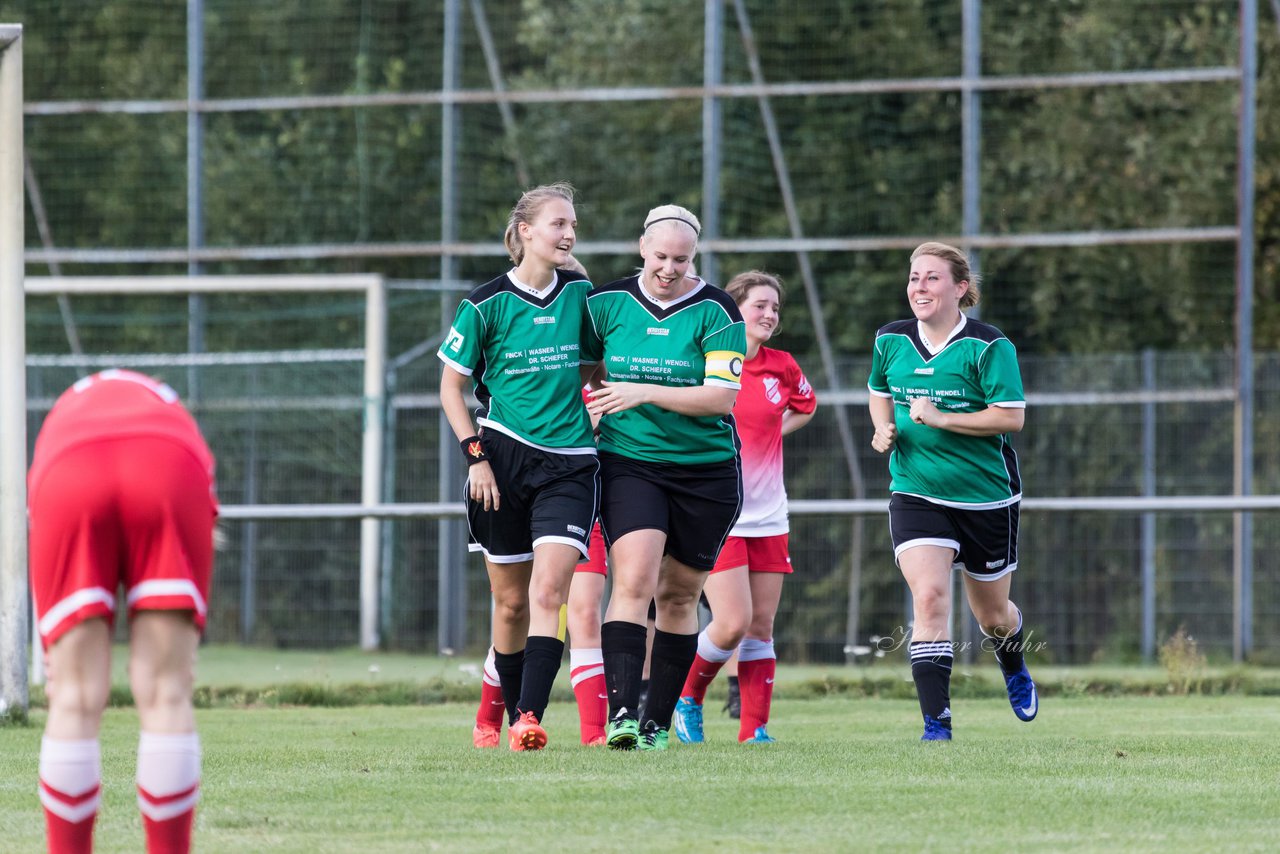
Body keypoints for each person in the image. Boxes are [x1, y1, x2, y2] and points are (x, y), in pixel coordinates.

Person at [30, 369, 217, 854]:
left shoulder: (67, 410)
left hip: (67, 460)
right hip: (169, 456)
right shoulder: (172, 412)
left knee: (72, 696)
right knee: (166, 693)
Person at [439, 183, 599, 751]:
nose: (569, 233)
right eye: (558, 224)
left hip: (571, 463)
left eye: (573, 225)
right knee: (509, 602)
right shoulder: (484, 304)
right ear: (525, 231)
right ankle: (495, 715)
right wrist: (475, 458)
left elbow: (595, 364)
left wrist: (594, 401)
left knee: (548, 591)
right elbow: (451, 388)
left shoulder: (581, 294)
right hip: (501, 460)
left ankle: (528, 717)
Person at [583, 205, 746, 751]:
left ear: (693, 257)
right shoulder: (606, 303)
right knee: (632, 581)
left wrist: (644, 391)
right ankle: (623, 716)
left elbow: (720, 397)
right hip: (630, 461)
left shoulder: (718, 310)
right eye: (660, 257)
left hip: (707, 472)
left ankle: (656, 723)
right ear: (641, 248)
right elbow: (580, 369)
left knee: (679, 598)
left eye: (681, 259)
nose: (669, 268)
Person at [867, 241, 1038, 741]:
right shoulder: (890, 340)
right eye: (914, 277)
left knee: (993, 617)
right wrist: (883, 429)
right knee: (931, 597)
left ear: (960, 289)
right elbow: (879, 393)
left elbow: (1012, 417)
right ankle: (935, 725)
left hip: (986, 498)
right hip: (916, 491)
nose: (919, 287)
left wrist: (943, 417)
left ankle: (1012, 661)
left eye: (932, 278)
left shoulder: (989, 346)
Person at [672, 271, 817, 745]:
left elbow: (806, 405)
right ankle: (687, 697)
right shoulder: (709, 363)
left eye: (775, 307)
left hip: (770, 514)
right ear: (735, 310)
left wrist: (775, 431)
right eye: (760, 306)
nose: (770, 315)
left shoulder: (782, 365)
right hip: (720, 513)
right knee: (731, 622)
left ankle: (754, 730)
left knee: (760, 625)